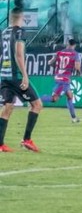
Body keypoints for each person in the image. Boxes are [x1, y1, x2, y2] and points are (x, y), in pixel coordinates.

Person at [0, 8, 43, 152]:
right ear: (21, 17)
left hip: (4, 75)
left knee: (7, 107)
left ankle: (0, 144)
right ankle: (27, 140)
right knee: (37, 105)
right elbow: (19, 54)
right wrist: (25, 75)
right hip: (16, 76)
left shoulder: (4, 31)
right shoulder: (20, 32)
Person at [42, 38, 82, 123]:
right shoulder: (75, 54)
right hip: (64, 80)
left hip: (58, 77)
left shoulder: (59, 53)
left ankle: (74, 118)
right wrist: (79, 72)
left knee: (70, 96)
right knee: (54, 99)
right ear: (74, 45)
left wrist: (57, 67)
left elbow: (50, 62)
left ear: (67, 44)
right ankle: (36, 100)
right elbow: (77, 66)